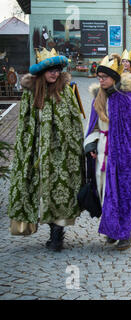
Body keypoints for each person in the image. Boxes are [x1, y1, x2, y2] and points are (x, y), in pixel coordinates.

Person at [7, 48, 84, 251]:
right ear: (42, 72)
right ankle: (46, 229)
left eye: (57, 70)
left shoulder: (65, 91)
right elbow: (25, 125)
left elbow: (74, 121)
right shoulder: (31, 93)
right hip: (36, 152)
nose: (54, 74)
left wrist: (72, 148)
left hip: (60, 152)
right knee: (39, 191)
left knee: (59, 192)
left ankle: (57, 235)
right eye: (50, 70)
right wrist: (27, 150)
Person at [85, 54, 131, 250]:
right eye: (99, 77)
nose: (101, 80)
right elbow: (93, 127)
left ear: (114, 77)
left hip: (123, 153)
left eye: (104, 77)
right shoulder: (99, 98)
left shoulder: (127, 99)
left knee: (123, 189)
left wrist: (126, 153)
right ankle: (111, 228)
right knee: (105, 191)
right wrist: (91, 144)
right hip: (103, 151)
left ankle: (125, 232)